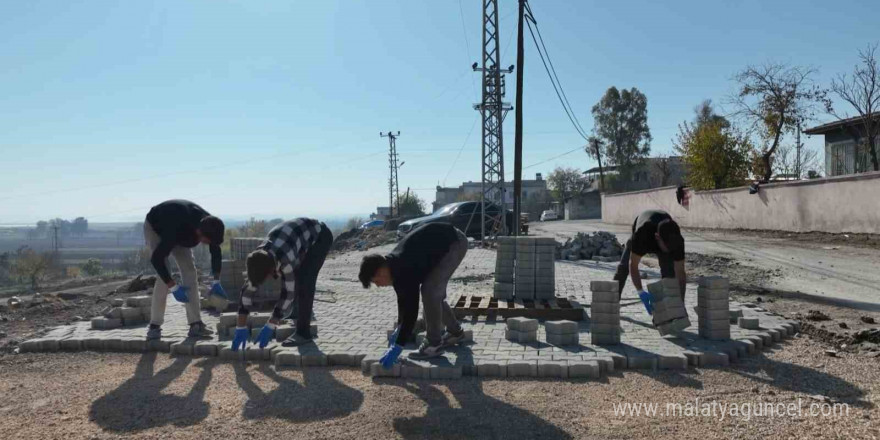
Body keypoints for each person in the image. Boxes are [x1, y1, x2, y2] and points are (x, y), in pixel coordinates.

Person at [358, 223, 468, 369]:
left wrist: (398, 346)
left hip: (454, 242)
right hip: (442, 243)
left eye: (376, 281)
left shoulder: (403, 268)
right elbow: (403, 302)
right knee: (433, 294)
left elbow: (411, 312)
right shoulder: (394, 267)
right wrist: (399, 328)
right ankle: (456, 332)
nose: (378, 285)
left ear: (380, 271)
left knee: (430, 292)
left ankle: (433, 345)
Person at [230, 218, 333, 350]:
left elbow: (287, 294)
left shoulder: (285, 260)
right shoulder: (259, 258)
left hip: (319, 237)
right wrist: (241, 326)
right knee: (297, 277)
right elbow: (247, 290)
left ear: (273, 269)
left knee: (305, 282)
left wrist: (270, 325)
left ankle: (303, 333)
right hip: (295, 239)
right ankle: (296, 312)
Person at [144, 199, 225, 340]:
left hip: (182, 232)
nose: (206, 244)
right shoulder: (174, 230)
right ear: (199, 233)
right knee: (163, 277)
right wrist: (173, 287)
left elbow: (216, 251)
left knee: (189, 272)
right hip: (157, 227)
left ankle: (196, 324)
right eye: (206, 241)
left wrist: (216, 280)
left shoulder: (211, 225)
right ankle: (154, 326)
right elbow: (157, 260)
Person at [613, 210, 687, 311]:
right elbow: (633, 265)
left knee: (669, 272)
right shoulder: (641, 235)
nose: (669, 250)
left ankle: (667, 310)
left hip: (663, 227)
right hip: (642, 224)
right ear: (657, 237)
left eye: (672, 247)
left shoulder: (677, 240)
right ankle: (612, 301)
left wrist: (680, 302)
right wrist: (640, 292)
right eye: (667, 247)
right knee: (623, 267)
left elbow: (681, 273)